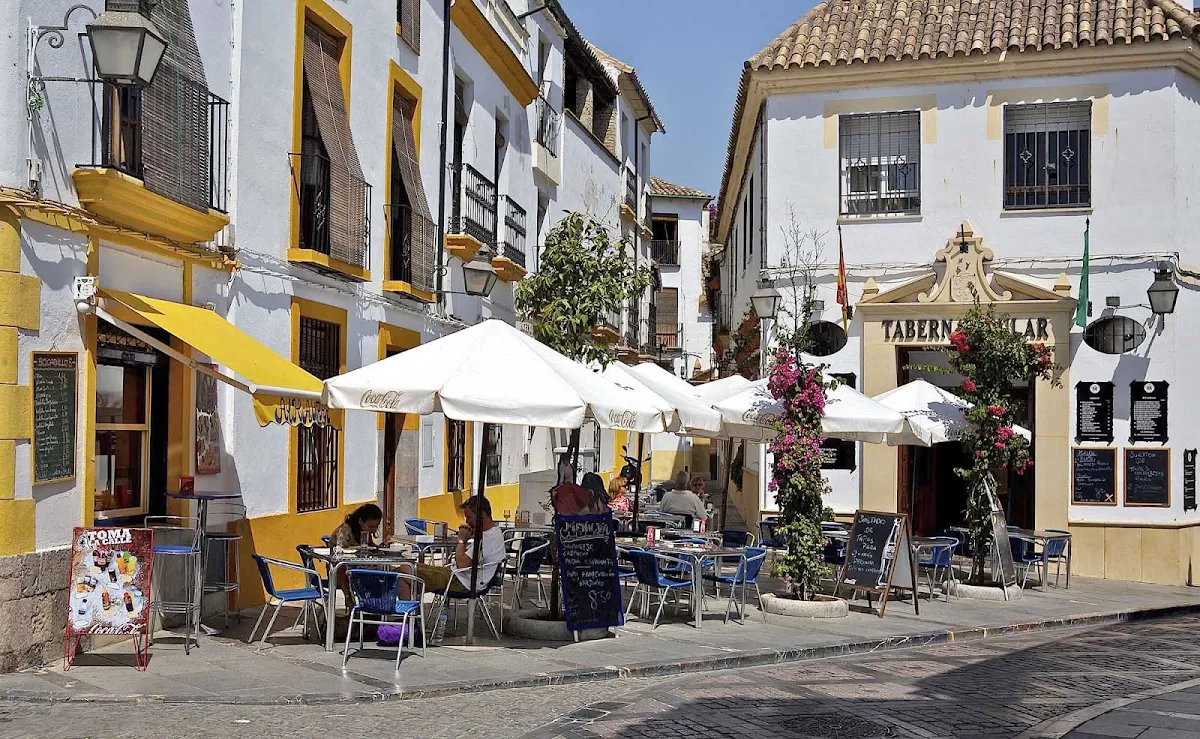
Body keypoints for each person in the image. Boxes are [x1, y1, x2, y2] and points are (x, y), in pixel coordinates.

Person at [413, 495, 506, 596]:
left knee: (405, 572)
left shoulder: (487, 539)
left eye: (468, 517)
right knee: (412, 568)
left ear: (480, 515)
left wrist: (462, 540)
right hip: (459, 575)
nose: (467, 521)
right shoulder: (495, 532)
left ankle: (409, 609)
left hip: (462, 582)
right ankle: (413, 603)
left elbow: (461, 563)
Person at [329, 503, 383, 612]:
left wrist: (381, 548)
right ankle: (350, 598)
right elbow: (340, 554)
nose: (374, 530)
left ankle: (373, 610)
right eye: (371, 526)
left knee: (384, 574)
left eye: (376, 526)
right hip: (339, 571)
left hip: (359, 567)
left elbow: (371, 549)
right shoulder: (345, 531)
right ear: (360, 521)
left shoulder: (364, 532)